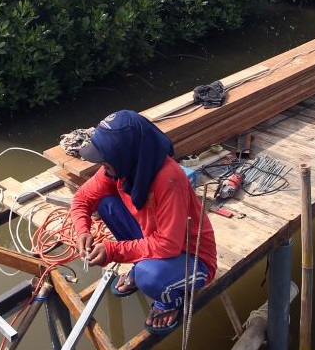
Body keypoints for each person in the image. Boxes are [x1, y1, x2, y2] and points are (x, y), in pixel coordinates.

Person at [70, 110, 217, 334]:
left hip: (192, 256)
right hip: (156, 240)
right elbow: (82, 199)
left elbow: (168, 245)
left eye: (106, 160)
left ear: (125, 154)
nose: (103, 166)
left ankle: (170, 301)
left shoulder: (169, 179)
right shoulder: (122, 169)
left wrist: (113, 250)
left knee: (148, 276)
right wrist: (82, 231)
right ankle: (144, 264)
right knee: (105, 203)